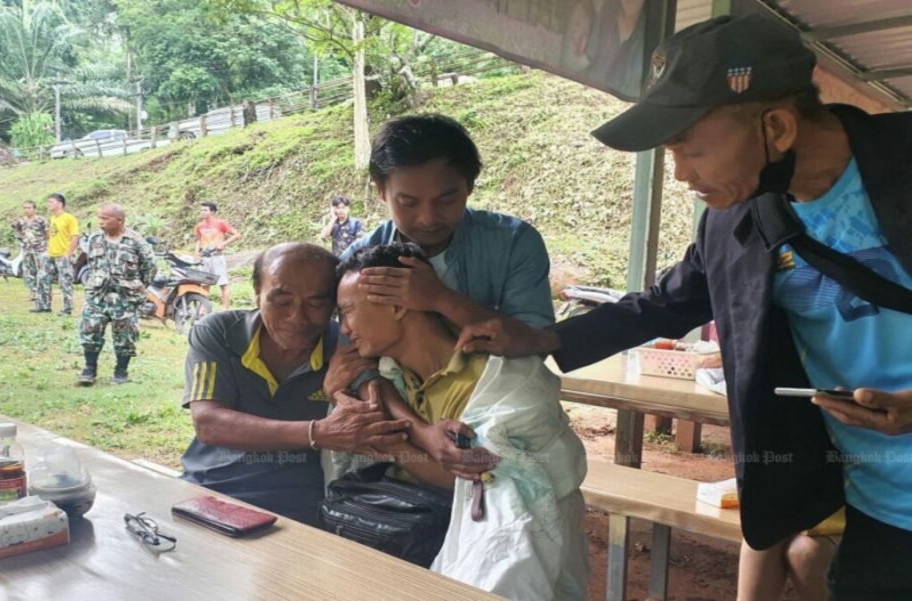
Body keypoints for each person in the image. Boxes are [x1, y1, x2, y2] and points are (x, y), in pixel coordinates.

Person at [456, 14, 912, 600]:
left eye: (689, 149)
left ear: (776, 127)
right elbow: (665, 304)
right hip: (881, 511)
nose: (678, 173)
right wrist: (543, 338)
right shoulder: (739, 219)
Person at [337, 243, 588, 600]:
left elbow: (485, 487)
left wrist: (390, 444)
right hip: (402, 537)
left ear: (397, 305)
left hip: (474, 554)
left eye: (347, 311)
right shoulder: (383, 374)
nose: (344, 329)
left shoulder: (495, 382)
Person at [326, 114, 554, 477]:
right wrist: (419, 430)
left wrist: (440, 299)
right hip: (408, 448)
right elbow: (356, 366)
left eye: (447, 199)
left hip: (498, 424)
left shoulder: (512, 243)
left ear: (470, 186)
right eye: (408, 202)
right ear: (381, 191)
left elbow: (535, 342)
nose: (428, 217)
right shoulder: (362, 261)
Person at [180, 243, 410, 526]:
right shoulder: (220, 332)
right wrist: (317, 433)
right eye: (282, 301)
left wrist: (425, 433)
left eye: (316, 304)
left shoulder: (345, 342)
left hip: (299, 508)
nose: (297, 318)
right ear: (257, 293)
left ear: (334, 306)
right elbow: (209, 423)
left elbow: (376, 396)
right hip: (210, 490)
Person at [77, 203, 157, 386]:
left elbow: (150, 267)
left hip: (125, 298)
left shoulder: (135, 241)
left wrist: (136, 286)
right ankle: (89, 370)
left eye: (105, 218)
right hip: (98, 295)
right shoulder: (95, 239)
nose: (100, 222)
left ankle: (121, 372)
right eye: (99, 218)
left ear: (119, 220)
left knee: (125, 337)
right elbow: (92, 264)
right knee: (90, 331)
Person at [35, 193, 79, 316]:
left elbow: (75, 236)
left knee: (65, 282)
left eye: (51, 202)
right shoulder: (53, 218)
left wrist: (69, 254)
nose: (48, 204)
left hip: (63, 255)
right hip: (51, 254)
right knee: (43, 279)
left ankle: (67, 308)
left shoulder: (69, 218)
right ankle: (44, 305)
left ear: (60, 204)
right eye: (48, 202)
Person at [192, 201, 241, 310]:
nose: (202, 212)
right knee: (205, 284)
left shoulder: (221, 223)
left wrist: (223, 243)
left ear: (213, 212)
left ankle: (225, 310)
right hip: (204, 258)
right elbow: (198, 240)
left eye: (205, 210)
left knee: (223, 284)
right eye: (201, 210)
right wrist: (196, 253)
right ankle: (203, 310)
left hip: (216, 256)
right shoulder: (199, 226)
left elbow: (237, 235)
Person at [13, 200, 49, 301]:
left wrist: (42, 242)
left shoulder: (41, 220)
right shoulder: (21, 221)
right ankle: (33, 292)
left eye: (29, 208)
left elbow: (47, 234)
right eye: (25, 208)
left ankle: (42, 292)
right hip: (27, 249)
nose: (27, 210)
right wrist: (24, 239)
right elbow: (18, 231)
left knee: (41, 271)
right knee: (28, 271)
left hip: (40, 249)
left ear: (34, 209)